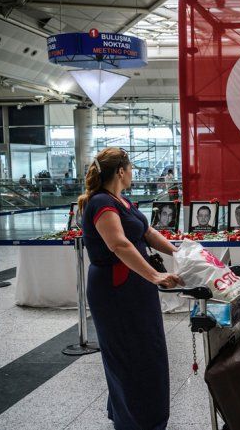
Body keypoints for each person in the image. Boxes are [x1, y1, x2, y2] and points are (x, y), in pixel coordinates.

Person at [78, 147, 183, 430]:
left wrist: (180, 253)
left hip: (135, 285)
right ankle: (137, 421)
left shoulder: (122, 201)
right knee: (130, 353)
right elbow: (118, 244)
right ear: (121, 171)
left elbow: (148, 232)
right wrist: (155, 275)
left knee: (147, 348)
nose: (133, 173)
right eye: (131, 168)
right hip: (115, 289)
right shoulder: (101, 203)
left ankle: (133, 413)